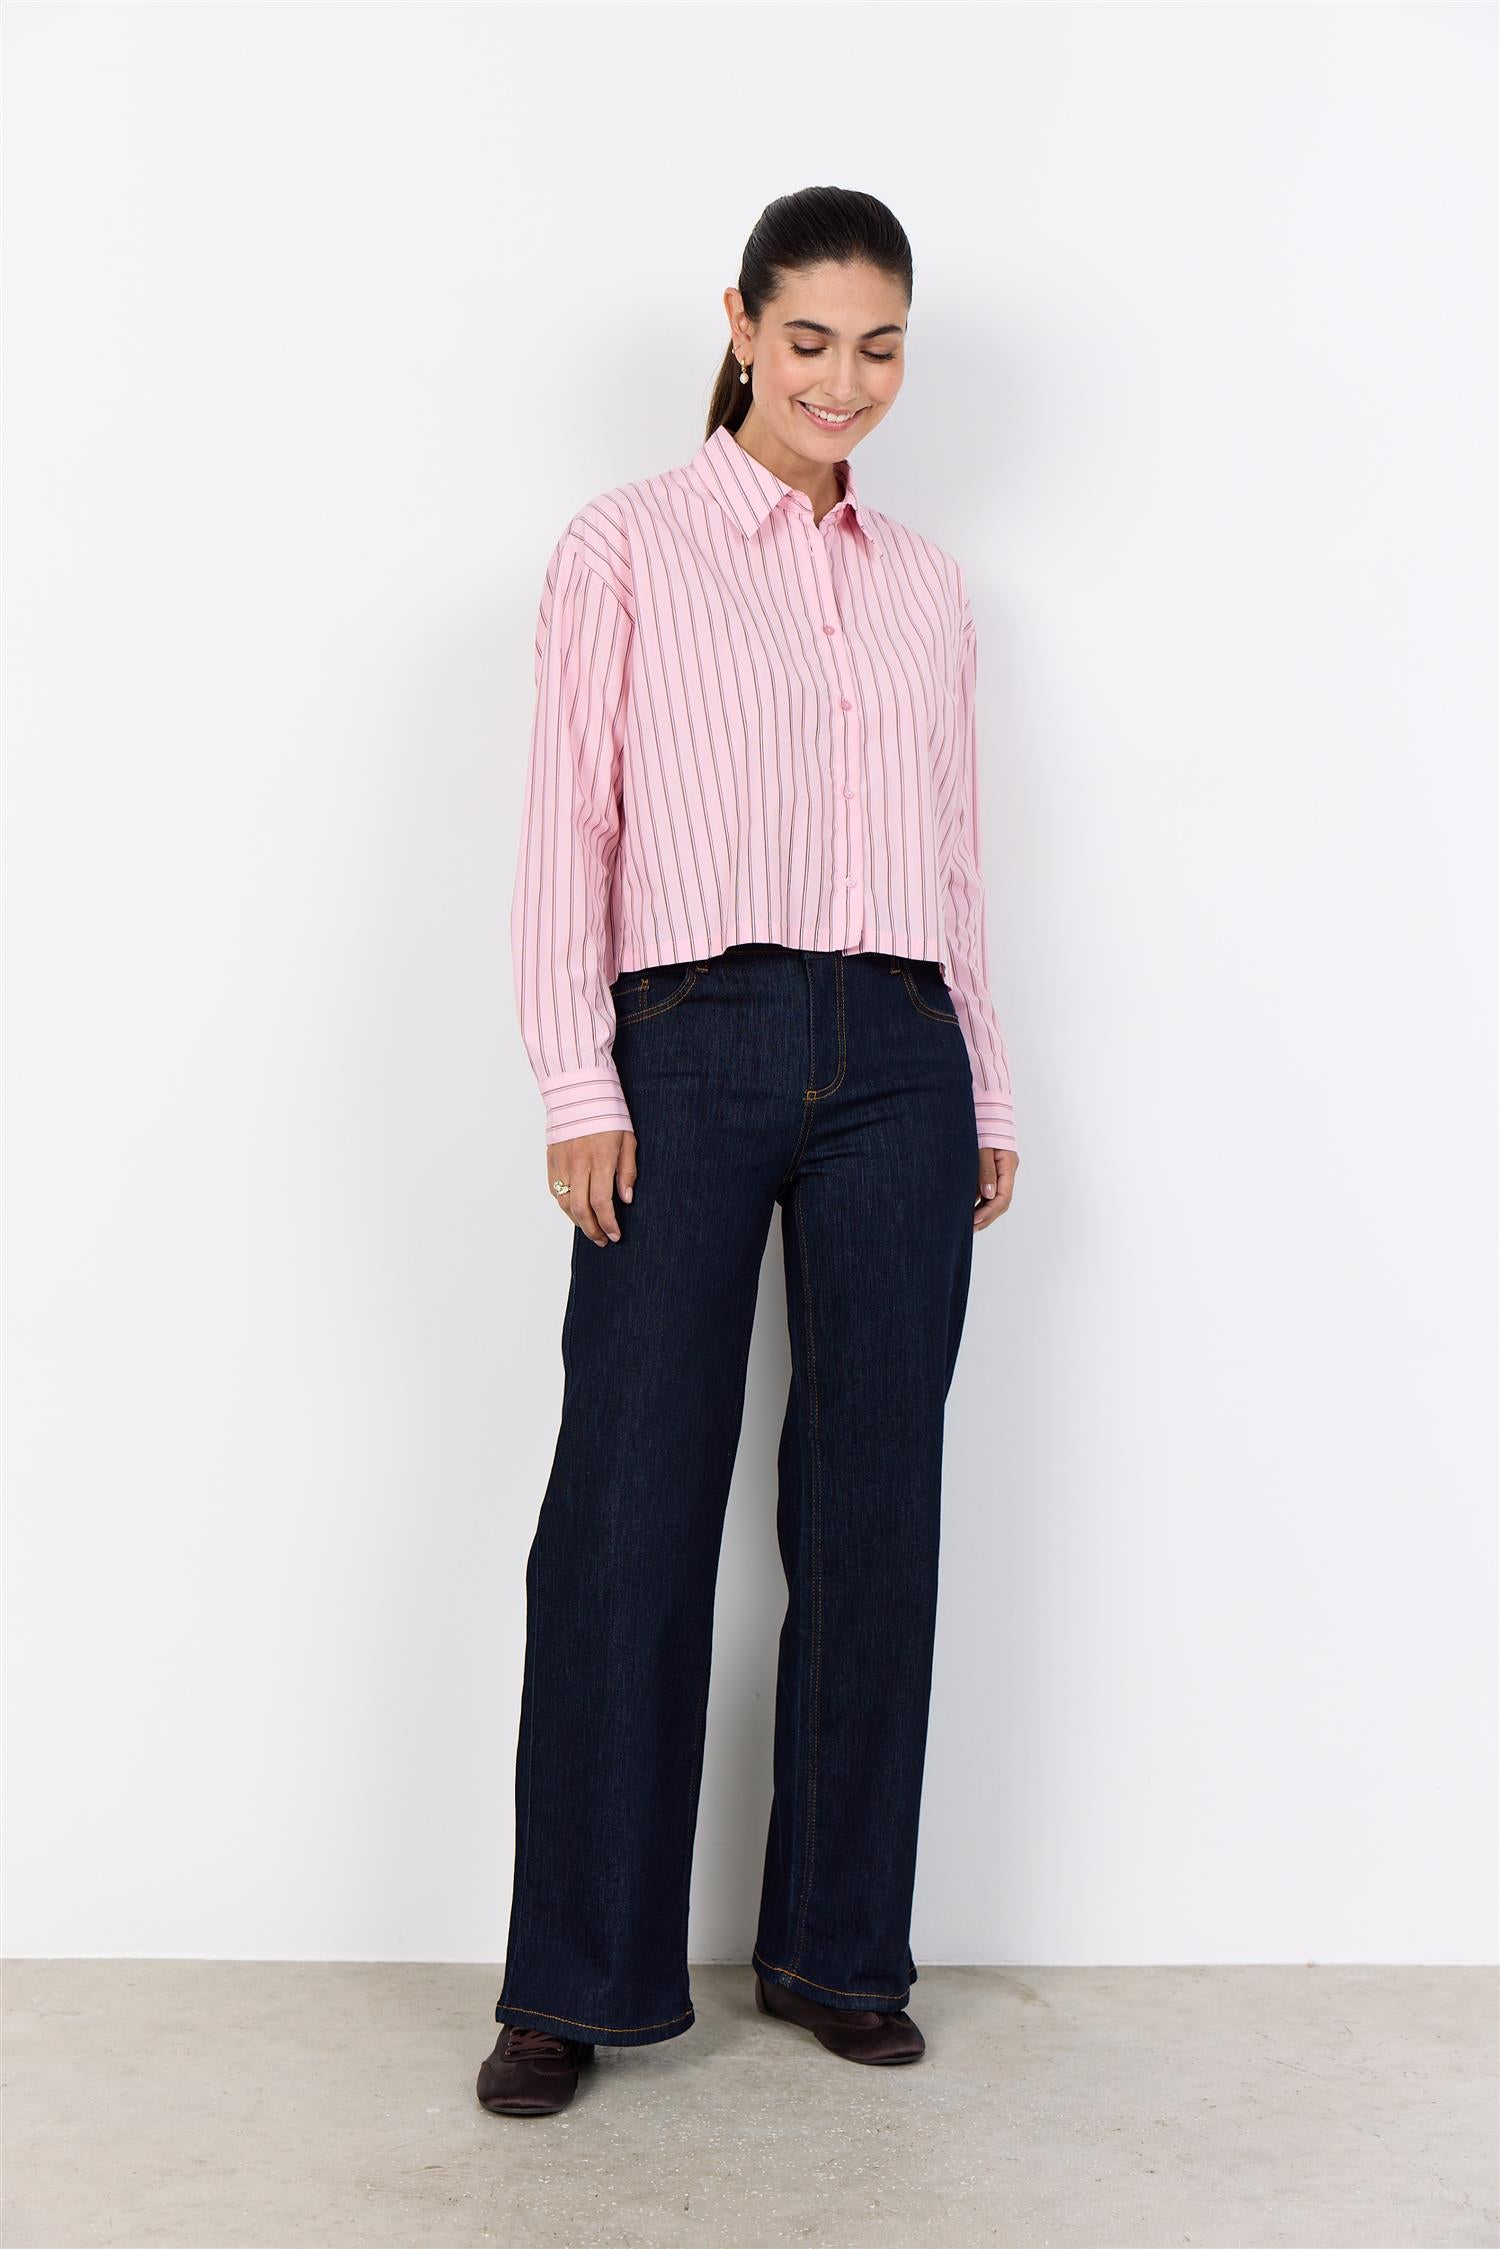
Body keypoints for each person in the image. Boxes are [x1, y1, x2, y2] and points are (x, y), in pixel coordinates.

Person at [477, 185, 1020, 2119]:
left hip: (901, 1055)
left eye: (879, 347)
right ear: (739, 324)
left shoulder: (927, 586)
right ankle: (576, 1978)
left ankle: (838, 1949)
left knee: (875, 1510)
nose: (842, 381)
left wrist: (987, 1085)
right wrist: (577, 1078)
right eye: (808, 340)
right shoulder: (623, 546)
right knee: (628, 1505)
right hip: (686, 1041)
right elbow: (569, 824)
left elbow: (956, 854)